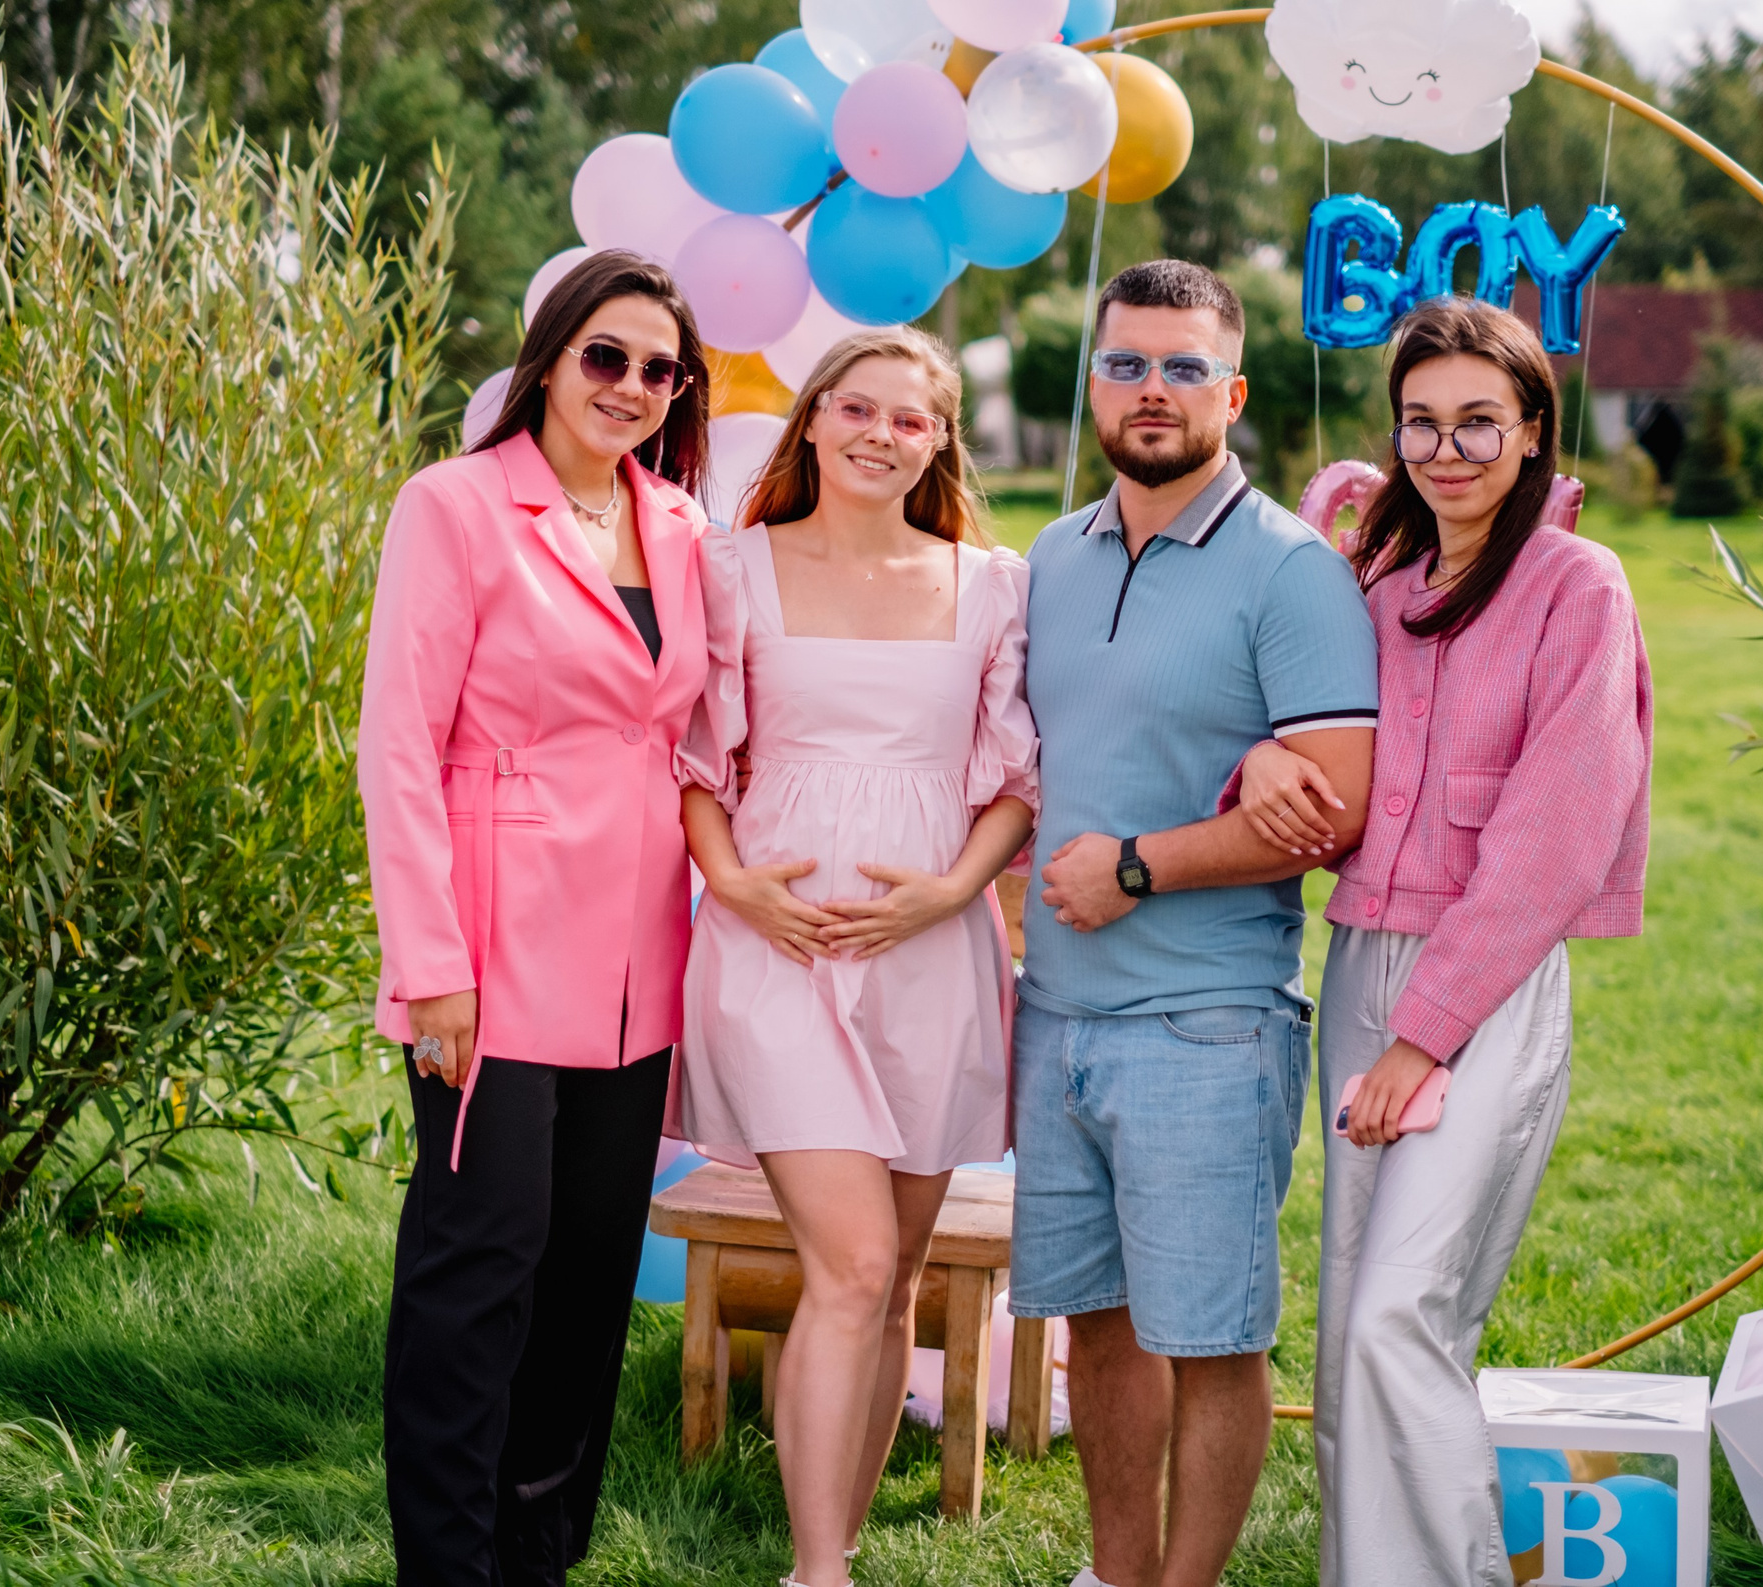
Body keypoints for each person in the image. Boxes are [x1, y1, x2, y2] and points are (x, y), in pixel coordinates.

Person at [1230, 296, 1653, 1587]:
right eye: (1423, 421)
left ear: (1534, 430)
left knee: (1397, 1310)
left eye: (1481, 419)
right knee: (1356, 1317)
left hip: (1486, 983)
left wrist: (1428, 1037)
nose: (1449, 447)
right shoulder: (1381, 579)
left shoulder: (1578, 586)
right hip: (1361, 959)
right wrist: (1263, 756)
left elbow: (1558, 833)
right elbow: (1296, 715)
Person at [1012, 260, 1380, 1587]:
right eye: (1127, 364)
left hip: (1208, 1020)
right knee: (1099, 1328)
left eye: (1181, 368)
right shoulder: (1052, 555)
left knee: (1214, 1335)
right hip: (1050, 1015)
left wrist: (1142, 867)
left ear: (1232, 390)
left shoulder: (1291, 570)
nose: (1151, 391)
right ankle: (1115, 1574)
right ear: (1093, 380)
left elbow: (1334, 803)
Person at [358, 250, 715, 1587]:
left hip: (638, 966)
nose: (629, 385)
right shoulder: (452, 505)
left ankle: (539, 1559)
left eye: (657, 366)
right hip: (491, 960)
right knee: (479, 1275)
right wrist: (431, 966)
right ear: (550, 359)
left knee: (584, 1289)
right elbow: (397, 743)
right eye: (605, 356)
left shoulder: (679, 526)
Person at [673, 325, 1037, 1587]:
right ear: (814, 420)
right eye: (859, 409)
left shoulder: (991, 582)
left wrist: (947, 891)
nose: (884, 434)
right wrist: (734, 887)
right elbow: (692, 762)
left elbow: (1013, 784)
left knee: (893, 1283)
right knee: (856, 1259)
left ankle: (830, 1547)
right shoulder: (731, 570)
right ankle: (816, 1571)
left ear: (940, 439)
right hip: (773, 944)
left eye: (913, 418)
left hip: (933, 953)